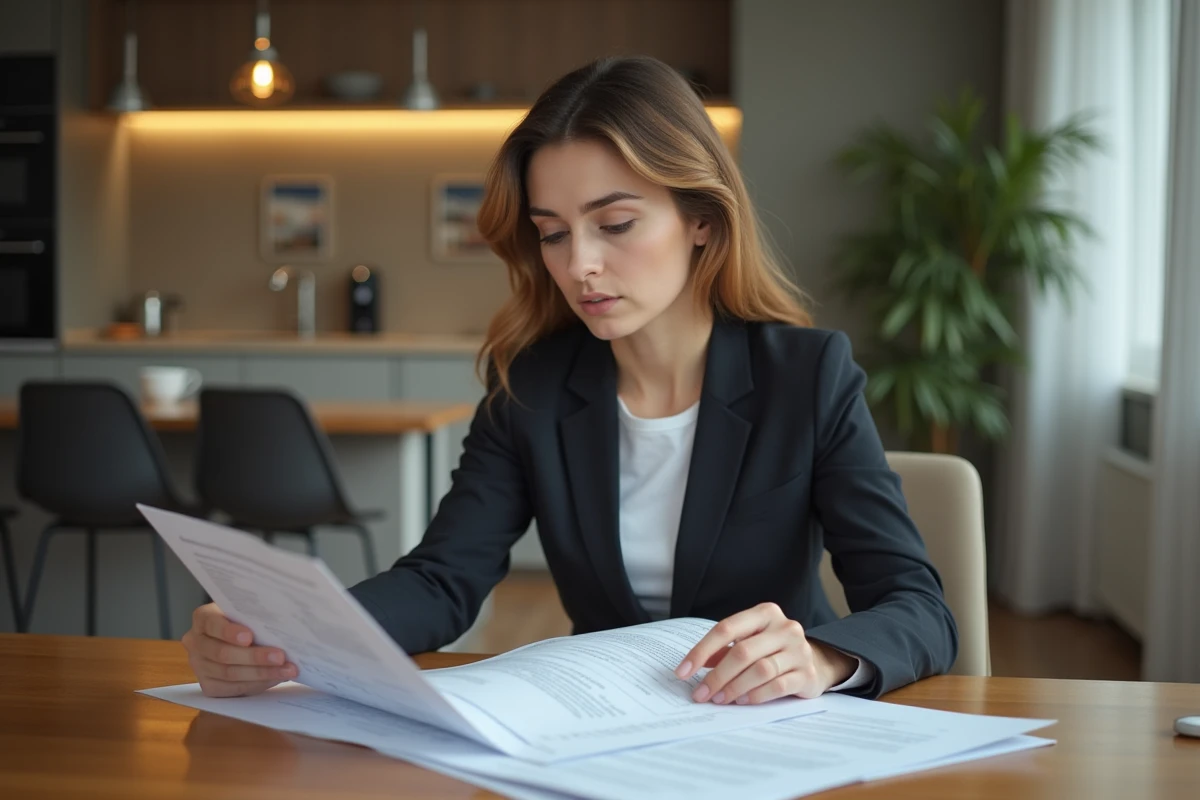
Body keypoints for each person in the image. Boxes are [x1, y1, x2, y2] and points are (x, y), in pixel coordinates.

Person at [182, 55, 957, 706]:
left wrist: (818, 659)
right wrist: (293, 634)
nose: (578, 265)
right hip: (598, 725)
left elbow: (918, 610)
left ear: (702, 221)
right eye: (552, 233)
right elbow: (443, 579)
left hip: (766, 728)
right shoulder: (532, 387)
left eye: (615, 225)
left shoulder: (807, 376)